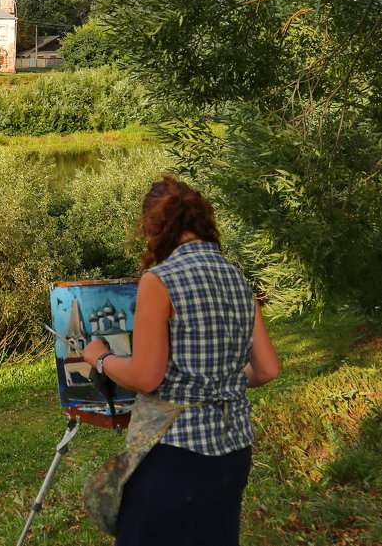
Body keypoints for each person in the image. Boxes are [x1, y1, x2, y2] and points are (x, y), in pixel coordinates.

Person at [84, 175, 280, 546]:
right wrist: (216, 378)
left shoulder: (161, 280)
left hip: (175, 453)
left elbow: (146, 376)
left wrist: (102, 358)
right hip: (233, 450)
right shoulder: (236, 276)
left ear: (155, 227)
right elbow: (268, 369)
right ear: (202, 220)